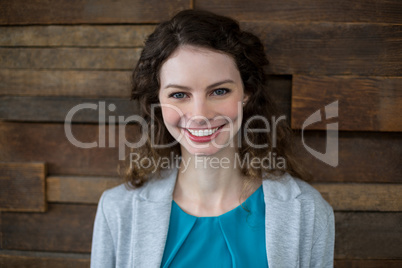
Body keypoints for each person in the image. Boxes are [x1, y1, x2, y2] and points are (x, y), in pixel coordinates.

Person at [90, 9, 335, 268]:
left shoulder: (308, 212)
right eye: (179, 95)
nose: (200, 115)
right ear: (157, 102)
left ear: (247, 92)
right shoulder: (117, 210)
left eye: (219, 91)